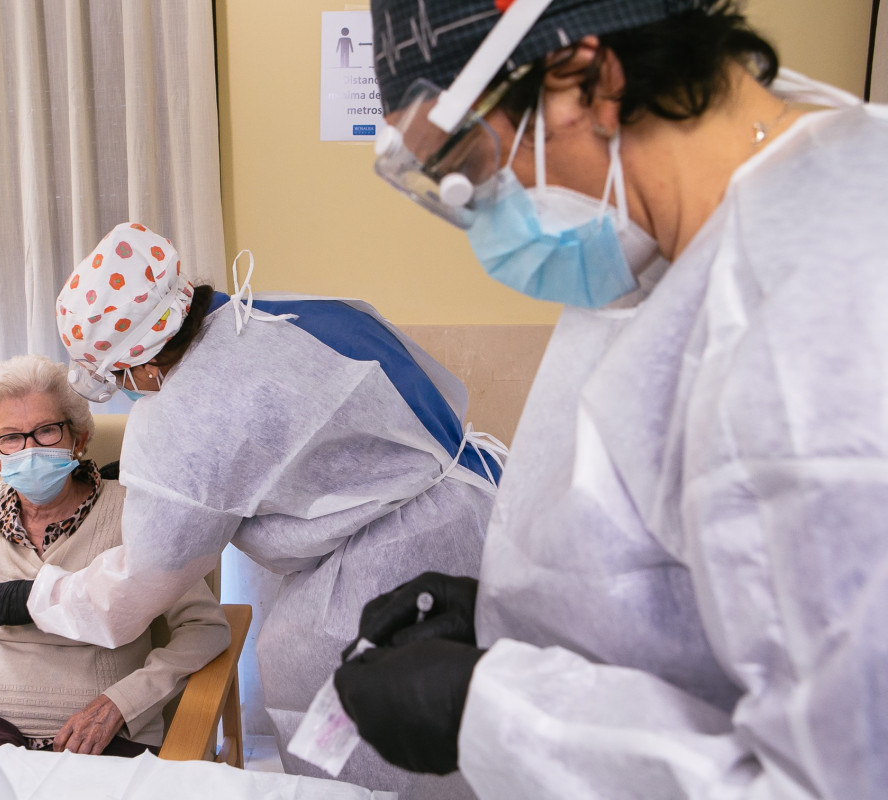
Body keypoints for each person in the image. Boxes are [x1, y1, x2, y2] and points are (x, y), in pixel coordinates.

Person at [331, 1, 888, 798]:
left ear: (585, 78)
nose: (486, 204)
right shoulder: (692, 248)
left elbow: (840, 777)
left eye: (470, 162)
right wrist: (519, 623)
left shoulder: (817, 307)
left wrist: (497, 714)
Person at [0, 222, 506, 798]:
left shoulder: (181, 422)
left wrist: (40, 596)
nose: (126, 388)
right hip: (475, 511)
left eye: (118, 376)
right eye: (12, 439)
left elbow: (136, 590)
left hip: (393, 568)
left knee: (374, 741)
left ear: (141, 362)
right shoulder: (276, 314)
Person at [0, 354, 230, 756]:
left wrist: (124, 703)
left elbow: (205, 627)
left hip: (99, 735)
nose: (28, 449)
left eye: (46, 431)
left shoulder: (135, 514)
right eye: (10, 437)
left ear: (78, 438)